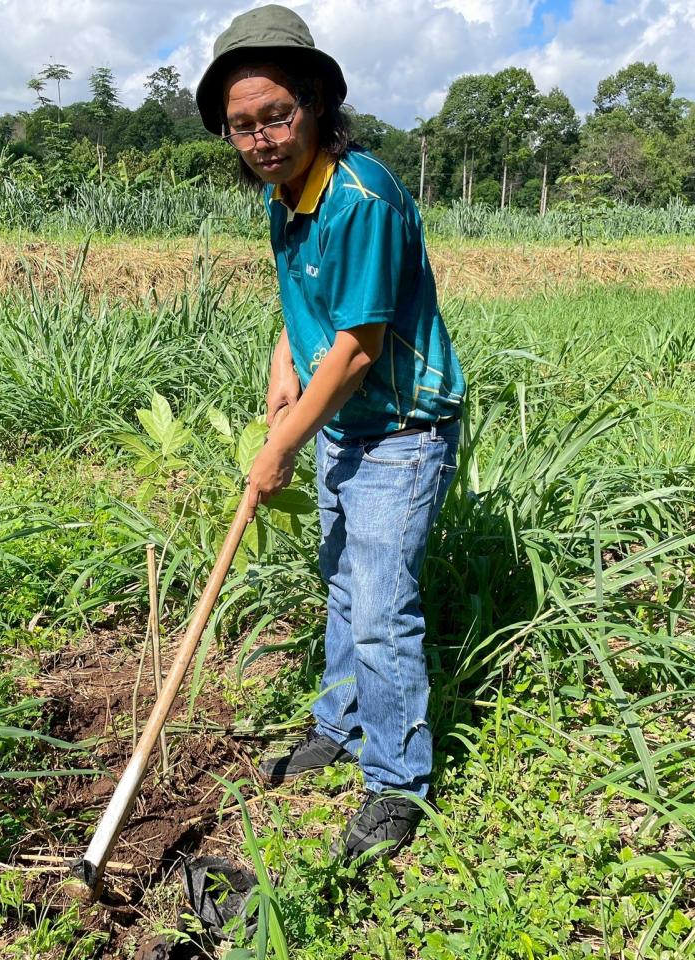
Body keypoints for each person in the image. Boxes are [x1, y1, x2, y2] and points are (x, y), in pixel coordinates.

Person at [196, 5, 466, 863]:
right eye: (243, 126)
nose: (262, 138)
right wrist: (283, 362)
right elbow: (306, 309)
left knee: (383, 607)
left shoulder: (361, 196)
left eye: (276, 115)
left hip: (400, 426)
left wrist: (280, 445)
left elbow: (355, 350)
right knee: (344, 584)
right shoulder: (287, 197)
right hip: (343, 422)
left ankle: (395, 782)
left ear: (314, 104)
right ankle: (342, 727)